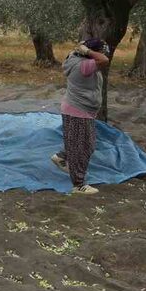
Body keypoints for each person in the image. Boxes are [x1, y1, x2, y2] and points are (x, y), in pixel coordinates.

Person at [50, 38, 110, 195]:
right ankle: (78, 185)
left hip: (78, 109)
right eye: (99, 51)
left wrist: (85, 49)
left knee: (82, 144)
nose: (101, 54)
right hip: (78, 111)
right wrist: (88, 51)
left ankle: (60, 157)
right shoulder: (84, 66)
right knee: (83, 148)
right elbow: (104, 59)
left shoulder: (76, 59)